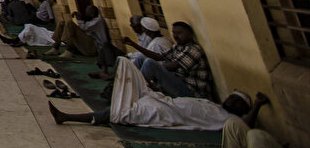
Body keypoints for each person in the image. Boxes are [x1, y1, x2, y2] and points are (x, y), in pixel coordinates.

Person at [49, 56, 255, 131]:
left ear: (241, 111)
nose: (231, 100)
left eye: (237, 103)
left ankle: (68, 117)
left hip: (166, 111)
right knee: (132, 73)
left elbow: (245, 124)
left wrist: (258, 106)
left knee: (121, 111)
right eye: (233, 97)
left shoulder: (227, 119)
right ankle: (114, 88)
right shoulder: (215, 106)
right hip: (169, 102)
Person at [138, 21, 214, 100]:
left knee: (149, 63)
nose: (175, 36)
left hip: (191, 92)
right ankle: (137, 86)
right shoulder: (177, 47)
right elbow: (158, 56)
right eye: (174, 33)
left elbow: (172, 67)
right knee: (141, 58)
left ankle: (138, 89)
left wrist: (157, 69)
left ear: (190, 34)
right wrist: (134, 45)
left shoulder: (193, 50)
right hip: (179, 83)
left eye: (179, 33)